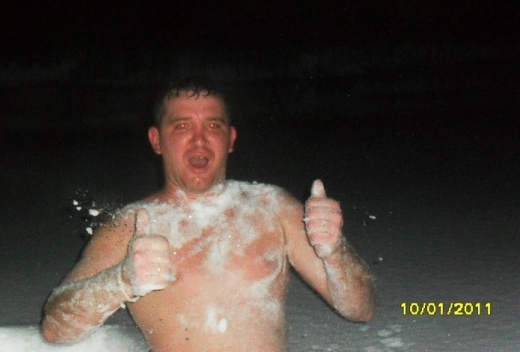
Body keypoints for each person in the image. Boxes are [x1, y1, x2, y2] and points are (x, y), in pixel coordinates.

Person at [41, 79, 375, 351]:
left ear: (230, 139)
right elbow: (55, 330)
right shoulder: (129, 227)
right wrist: (120, 282)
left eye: (213, 125)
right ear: (157, 140)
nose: (199, 140)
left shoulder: (275, 208)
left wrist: (335, 252)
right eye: (182, 126)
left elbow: (361, 309)